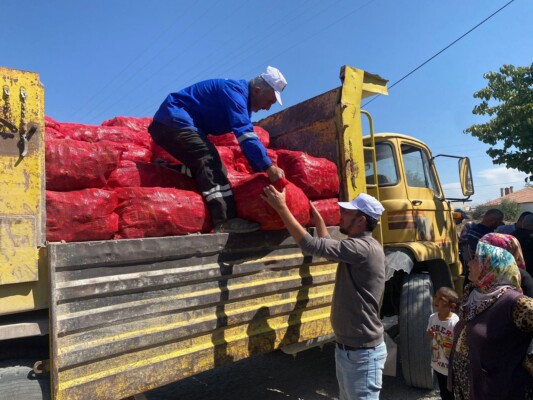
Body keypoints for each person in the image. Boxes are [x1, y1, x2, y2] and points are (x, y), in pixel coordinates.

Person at [261, 187, 387, 400]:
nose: (342, 215)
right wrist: (318, 218)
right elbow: (328, 245)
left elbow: (311, 245)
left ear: (361, 220)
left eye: (347, 213)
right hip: (349, 350)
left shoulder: (362, 248)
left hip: (362, 354)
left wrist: (282, 208)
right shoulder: (359, 247)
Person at [148, 66, 287, 233]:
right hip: (173, 120)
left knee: (212, 168)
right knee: (209, 160)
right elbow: (245, 135)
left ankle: (167, 171)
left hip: (169, 124)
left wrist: (259, 166)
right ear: (257, 90)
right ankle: (225, 220)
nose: (267, 108)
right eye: (270, 101)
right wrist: (267, 166)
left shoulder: (239, 96)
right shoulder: (235, 93)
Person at [448, 233, 533, 399]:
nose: (469, 263)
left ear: (491, 265)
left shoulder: (515, 302)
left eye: (476, 259)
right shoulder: (472, 291)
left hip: (496, 389)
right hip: (467, 384)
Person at [427, 287, 459, 400]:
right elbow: (429, 335)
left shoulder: (455, 322)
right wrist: (431, 334)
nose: (436, 300)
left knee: (453, 393)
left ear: (452, 306)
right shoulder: (432, 318)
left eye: (442, 299)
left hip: (450, 367)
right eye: (436, 296)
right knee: (443, 392)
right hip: (437, 364)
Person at [460, 208, 504, 285]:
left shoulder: (470, 230)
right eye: (499, 221)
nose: (501, 223)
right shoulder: (489, 236)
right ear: (493, 221)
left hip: (469, 271)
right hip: (482, 275)